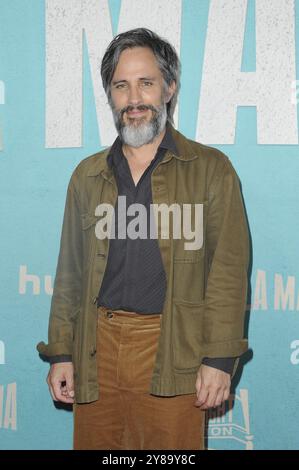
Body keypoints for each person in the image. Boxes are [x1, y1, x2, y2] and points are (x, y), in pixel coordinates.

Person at [37, 27, 250, 450]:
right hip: (96, 349)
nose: (134, 99)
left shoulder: (211, 169)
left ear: (169, 87)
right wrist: (62, 351)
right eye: (121, 86)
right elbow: (70, 276)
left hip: (175, 346)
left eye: (146, 83)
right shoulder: (87, 175)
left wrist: (219, 360)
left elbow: (227, 271)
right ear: (110, 95)